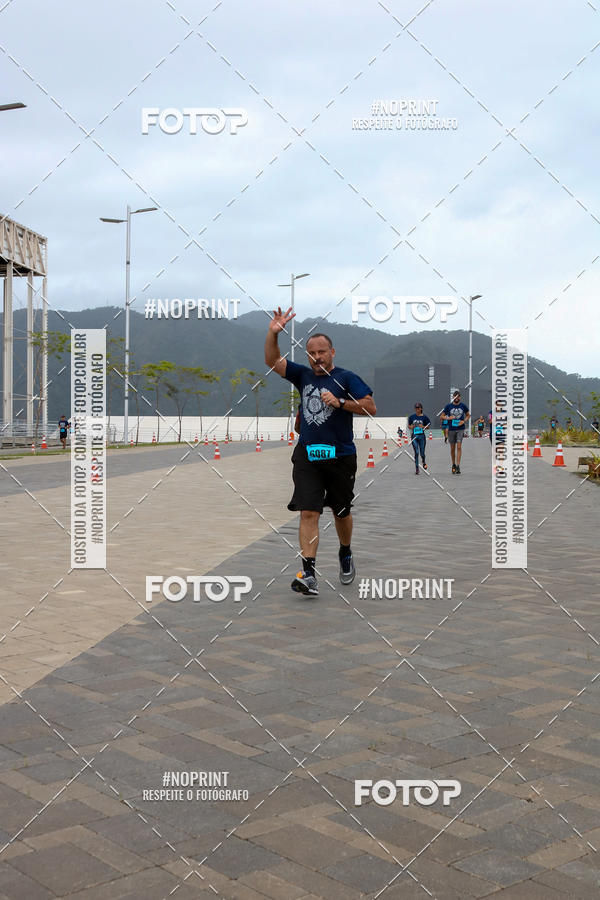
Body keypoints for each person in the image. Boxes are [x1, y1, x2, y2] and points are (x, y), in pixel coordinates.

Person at [265, 307, 376, 596]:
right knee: (308, 511)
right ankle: (309, 573)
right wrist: (273, 333)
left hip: (340, 457)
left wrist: (340, 402)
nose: (316, 358)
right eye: (311, 353)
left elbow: (370, 407)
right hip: (308, 456)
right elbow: (272, 361)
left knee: (341, 512)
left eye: (322, 352)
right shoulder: (302, 375)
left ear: (332, 352)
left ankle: (345, 551)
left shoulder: (347, 378)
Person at [441, 390, 469, 474]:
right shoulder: (448, 406)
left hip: (460, 428)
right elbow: (442, 416)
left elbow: (468, 415)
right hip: (451, 429)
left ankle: (458, 466)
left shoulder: (463, 406)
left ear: (460, 397)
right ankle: (453, 464)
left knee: (459, 447)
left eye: (458, 396)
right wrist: (448, 418)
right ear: (453, 397)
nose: (456, 398)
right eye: (455, 396)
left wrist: (463, 421)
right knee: (452, 448)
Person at [408, 403, 430, 474]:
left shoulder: (425, 417)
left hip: (422, 437)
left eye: (418, 408)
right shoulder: (412, 417)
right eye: (416, 408)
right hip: (414, 436)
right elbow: (409, 426)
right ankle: (417, 468)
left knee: (422, 453)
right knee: (416, 452)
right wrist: (412, 427)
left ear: (421, 409)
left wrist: (423, 427)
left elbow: (428, 426)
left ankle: (423, 461)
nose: (417, 409)